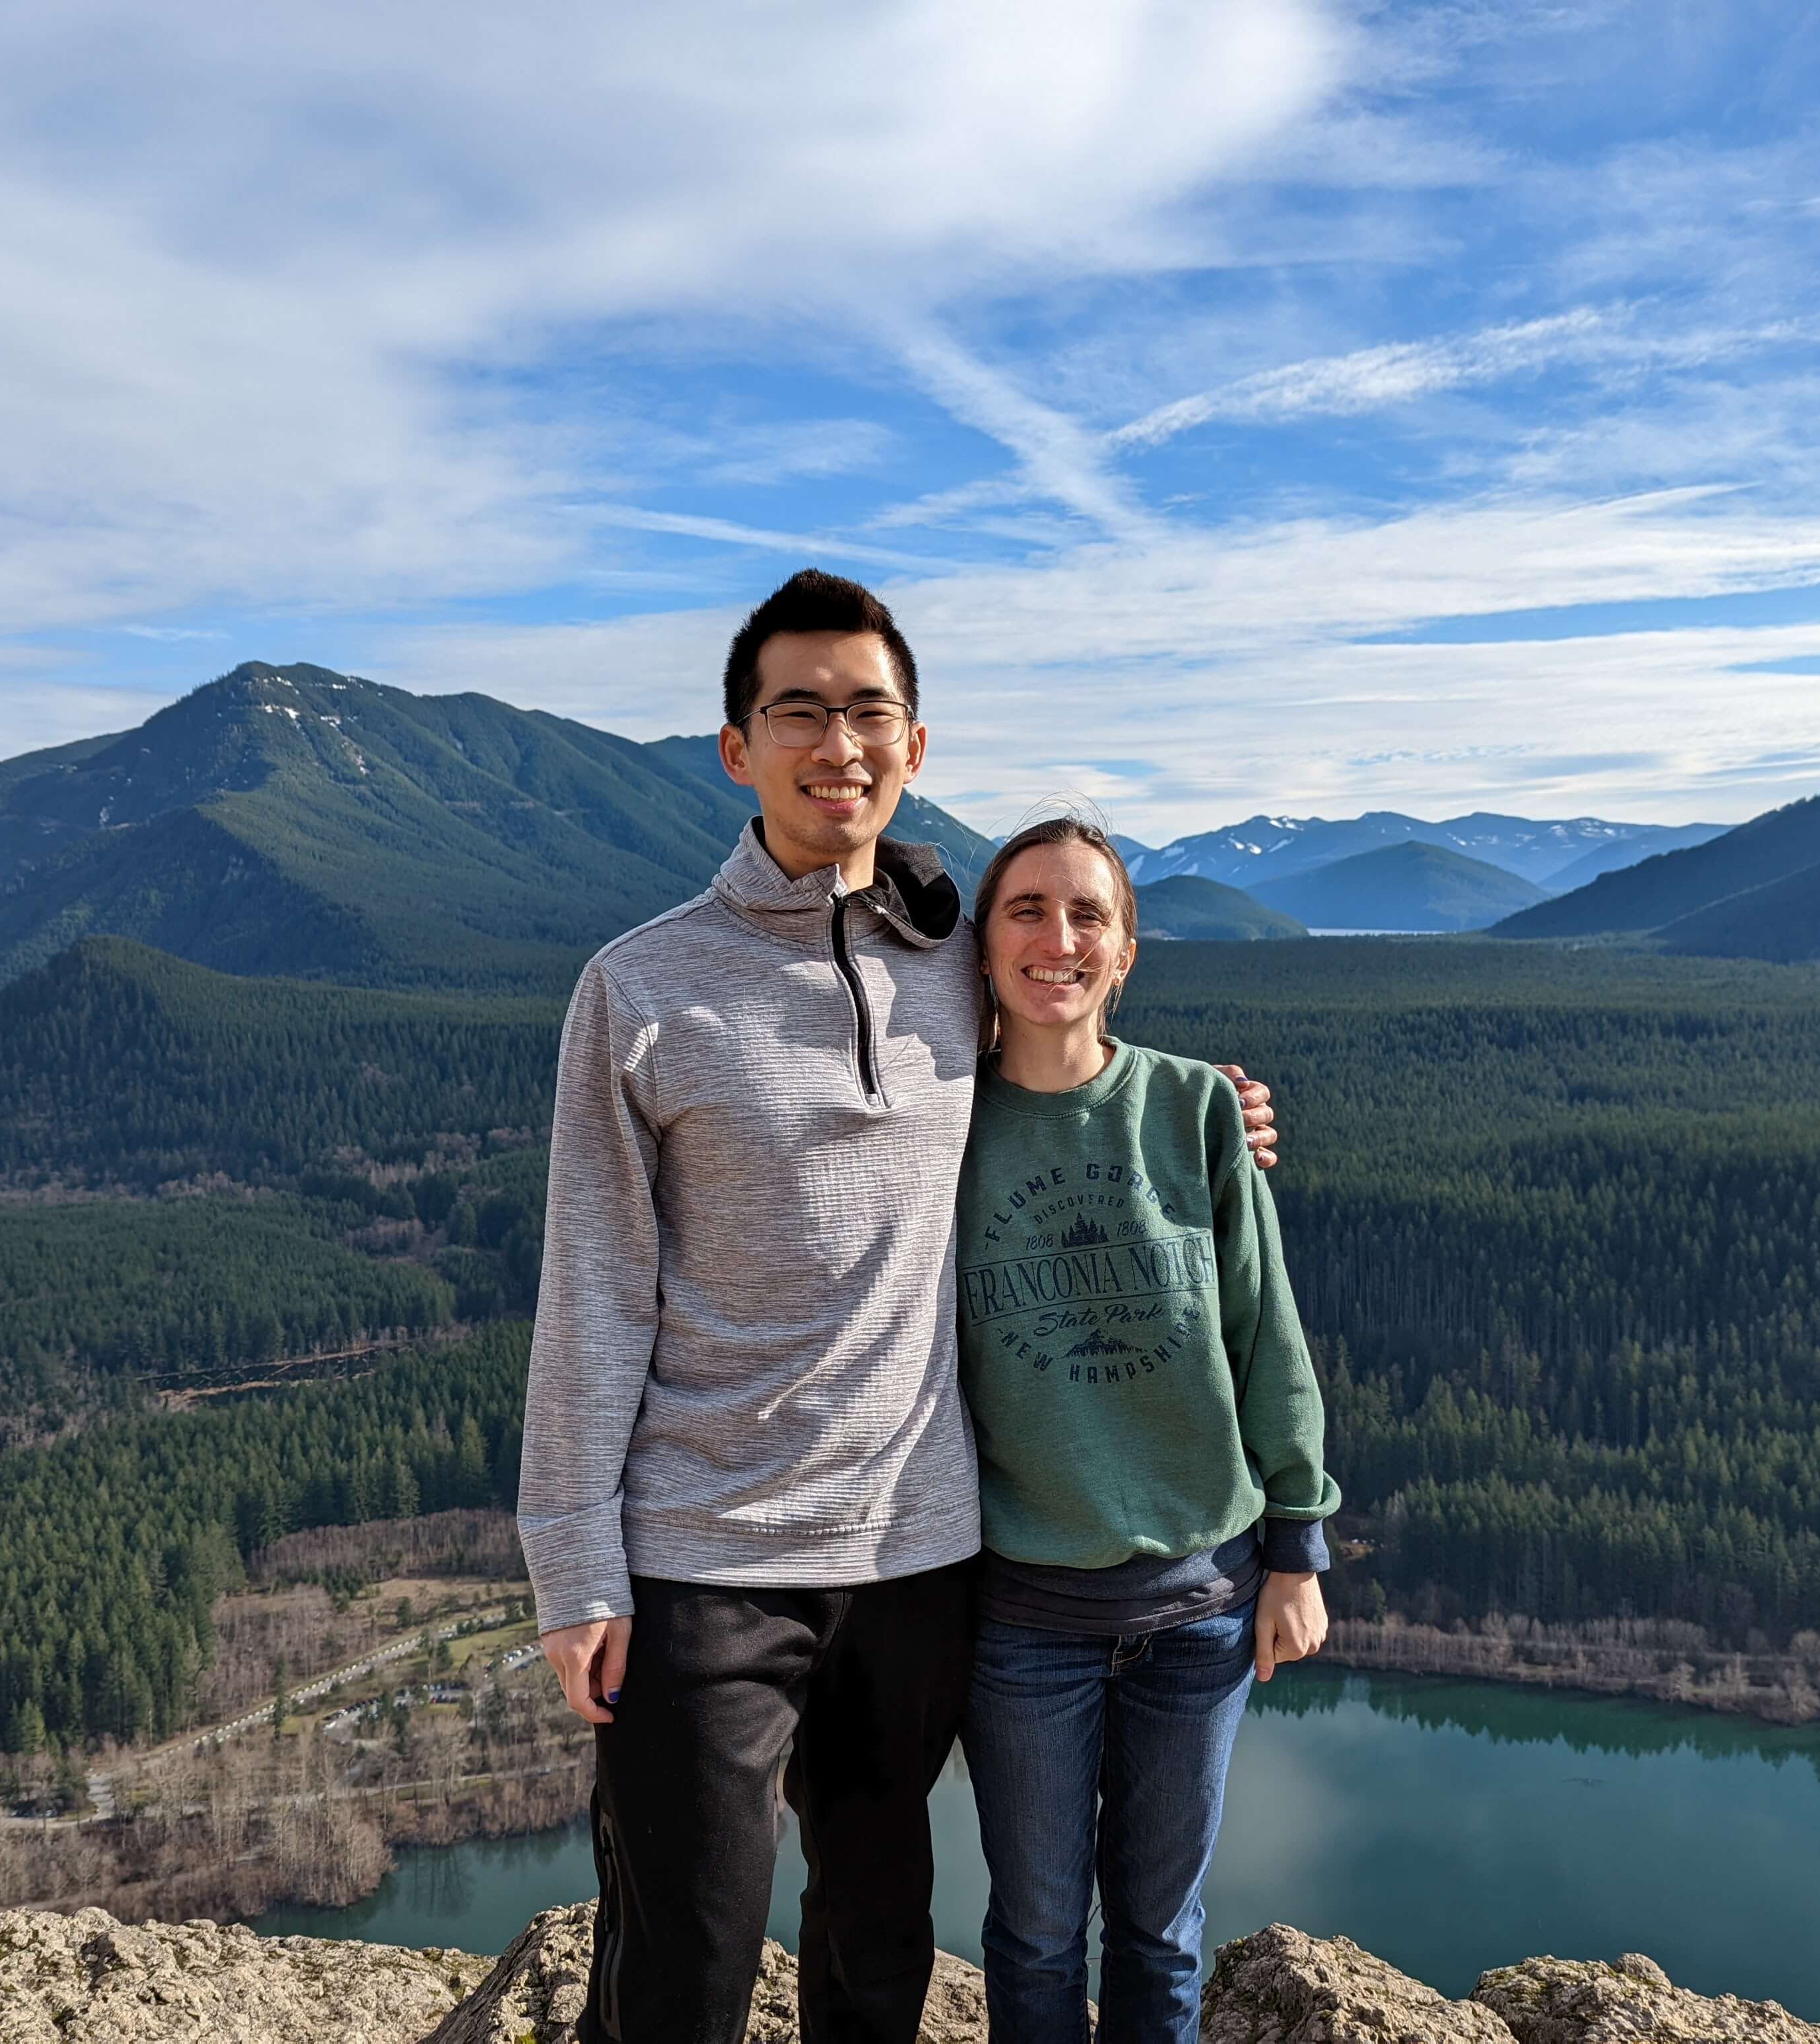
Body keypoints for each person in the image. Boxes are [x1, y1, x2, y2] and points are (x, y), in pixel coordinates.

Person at [517, 570, 1277, 2044]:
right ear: (737, 748)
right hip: (703, 1560)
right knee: (688, 1965)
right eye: (798, 709)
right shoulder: (641, 988)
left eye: (869, 709)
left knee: (880, 1951)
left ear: (915, 747)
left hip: (921, 1559)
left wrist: (1213, 1118)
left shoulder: (949, 955)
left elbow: (1077, 1037)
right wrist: (575, 1565)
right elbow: (595, 1286)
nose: (838, 740)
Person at [954, 814, 1337, 2044]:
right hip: (1022, 1618)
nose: (1055, 938)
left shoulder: (1193, 1110)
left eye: (1087, 917)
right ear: (982, 943)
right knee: (1034, 1931)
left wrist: (1297, 1543)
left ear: (1124, 954)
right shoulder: (937, 1128)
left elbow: (1262, 1328)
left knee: (1162, 1934)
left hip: (1200, 1607)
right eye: (1026, 910)